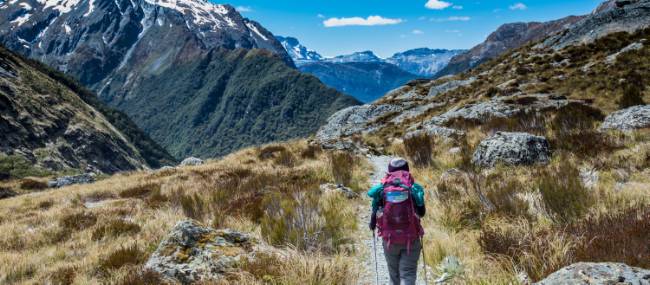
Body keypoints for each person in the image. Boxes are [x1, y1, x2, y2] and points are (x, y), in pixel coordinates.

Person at [368, 158, 426, 285]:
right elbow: (422, 213)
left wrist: (373, 225)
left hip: (390, 240)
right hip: (411, 238)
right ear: (407, 170)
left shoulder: (382, 189)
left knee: (394, 276)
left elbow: (373, 218)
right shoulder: (414, 188)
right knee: (408, 273)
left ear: (389, 171)